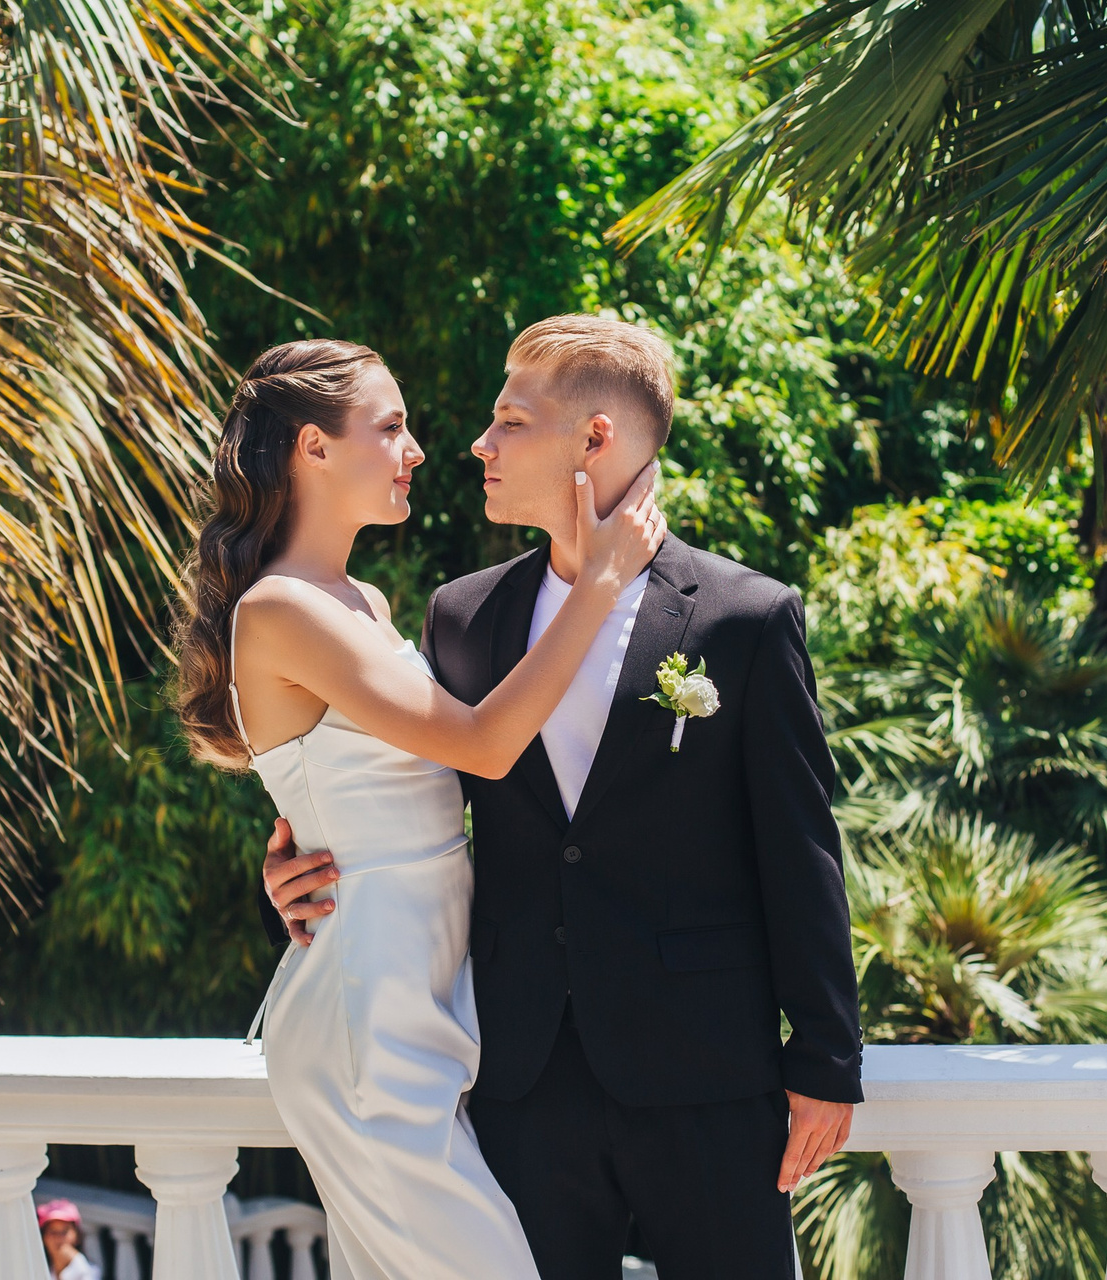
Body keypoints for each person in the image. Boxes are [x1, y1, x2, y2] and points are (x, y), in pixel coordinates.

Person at [262, 315, 864, 1279]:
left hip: (707, 1075)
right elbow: (400, 786)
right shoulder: (464, 616)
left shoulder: (744, 617)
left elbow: (800, 849)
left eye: (510, 422)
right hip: (521, 1077)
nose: (479, 444)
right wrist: (294, 868)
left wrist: (828, 1059)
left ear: (595, 438)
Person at [173, 337, 665, 1280]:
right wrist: (602, 583)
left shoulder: (361, 600)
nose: (419, 450)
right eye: (391, 427)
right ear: (314, 448)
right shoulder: (282, 610)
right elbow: (481, 744)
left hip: (422, 1000)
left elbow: (380, 793)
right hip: (368, 1015)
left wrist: (293, 860)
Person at [36, 1200, 98, 1280]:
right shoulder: (37, 1269)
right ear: (43, 1237)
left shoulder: (90, 1271)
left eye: (64, 1232)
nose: (59, 1238)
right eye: (53, 1232)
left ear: (77, 1235)